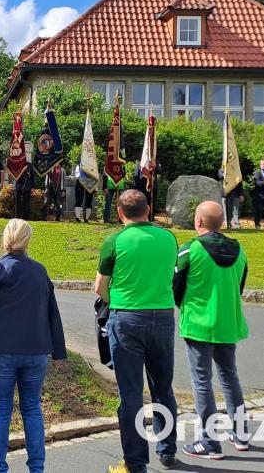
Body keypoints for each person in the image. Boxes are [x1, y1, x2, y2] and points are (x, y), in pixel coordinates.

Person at [0, 218, 66, 473]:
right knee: (32, 408)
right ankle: (37, 468)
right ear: (27, 240)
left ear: (6, 239)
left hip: (2, 350)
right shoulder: (40, 271)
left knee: (1, 409)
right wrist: (59, 350)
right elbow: (51, 313)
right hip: (36, 350)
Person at [95, 189, 179, 473]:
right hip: (163, 316)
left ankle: (135, 462)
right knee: (163, 389)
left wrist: (114, 301)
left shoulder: (115, 240)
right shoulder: (169, 238)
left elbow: (100, 287)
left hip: (127, 317)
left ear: (120, 212)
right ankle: (167, 450)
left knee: (130, 394)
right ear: (148, 209)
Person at [173, 201, 250, 460]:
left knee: (202, 381)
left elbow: (176, 286)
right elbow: (239, 287)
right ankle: (240, 433)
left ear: (198, 222)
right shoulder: (240, 251)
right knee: (230, 377)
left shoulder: (189, 250)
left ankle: (209, 441)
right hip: (228, 323)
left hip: (198, 324)